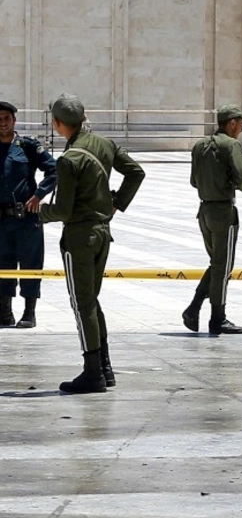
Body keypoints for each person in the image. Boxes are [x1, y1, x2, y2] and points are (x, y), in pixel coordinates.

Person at [38, 94, 145, 394]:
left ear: (57, 123)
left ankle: (92, 372)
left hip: (79, 238)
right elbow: (136, 172)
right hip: (102, 232)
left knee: (81, 303)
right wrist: (117, 203)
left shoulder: (69, 159)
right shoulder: (104, 144)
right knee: (91, 300)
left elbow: (63, 210)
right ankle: (105, 368)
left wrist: (38, 213)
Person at [183, 104, 242, 336]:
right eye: (241, 124)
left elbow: (194, 181)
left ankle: (193, 308)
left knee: (216, 263)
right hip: (223, 211)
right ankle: (217, 318)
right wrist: (232, 184)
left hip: (204, 211)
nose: (241, 128)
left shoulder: (200, 146)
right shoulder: (231, 145)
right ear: (231, 123)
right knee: (223, 267)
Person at [0, 101, 57, 328]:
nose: (2, 123)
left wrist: (38, 195)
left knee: (30, 263)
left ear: (14, 121)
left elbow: (54, 169)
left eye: (6, 118)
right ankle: (4, 312)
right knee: (3, 265)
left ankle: (29, 313)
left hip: (26, 218)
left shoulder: (27, 146)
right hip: (1, 219)